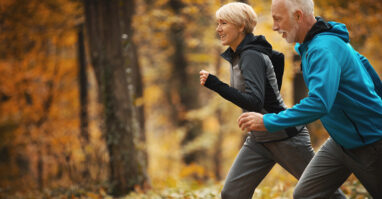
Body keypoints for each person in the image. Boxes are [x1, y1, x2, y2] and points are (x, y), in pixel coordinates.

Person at [237, 0, 382, 198]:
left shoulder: (323, 48)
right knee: (305, 194)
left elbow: (319, 103)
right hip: (342, 141)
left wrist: (269, 121)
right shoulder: (318, 43)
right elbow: (364, 64)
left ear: (298, 16)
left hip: (370, 142)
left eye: (278, 19)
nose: (275, 26)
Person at [200, 2, 345, 199]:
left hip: (286, 139)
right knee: (232, 194)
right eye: (218, 23)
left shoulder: (250, 54)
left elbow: (254, 102)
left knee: (325, 195)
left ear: (241, 26)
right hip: (259, 139)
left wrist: (215, 84)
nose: (218, 29)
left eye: (223, 23)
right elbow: (276, 61)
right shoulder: (241, 54)